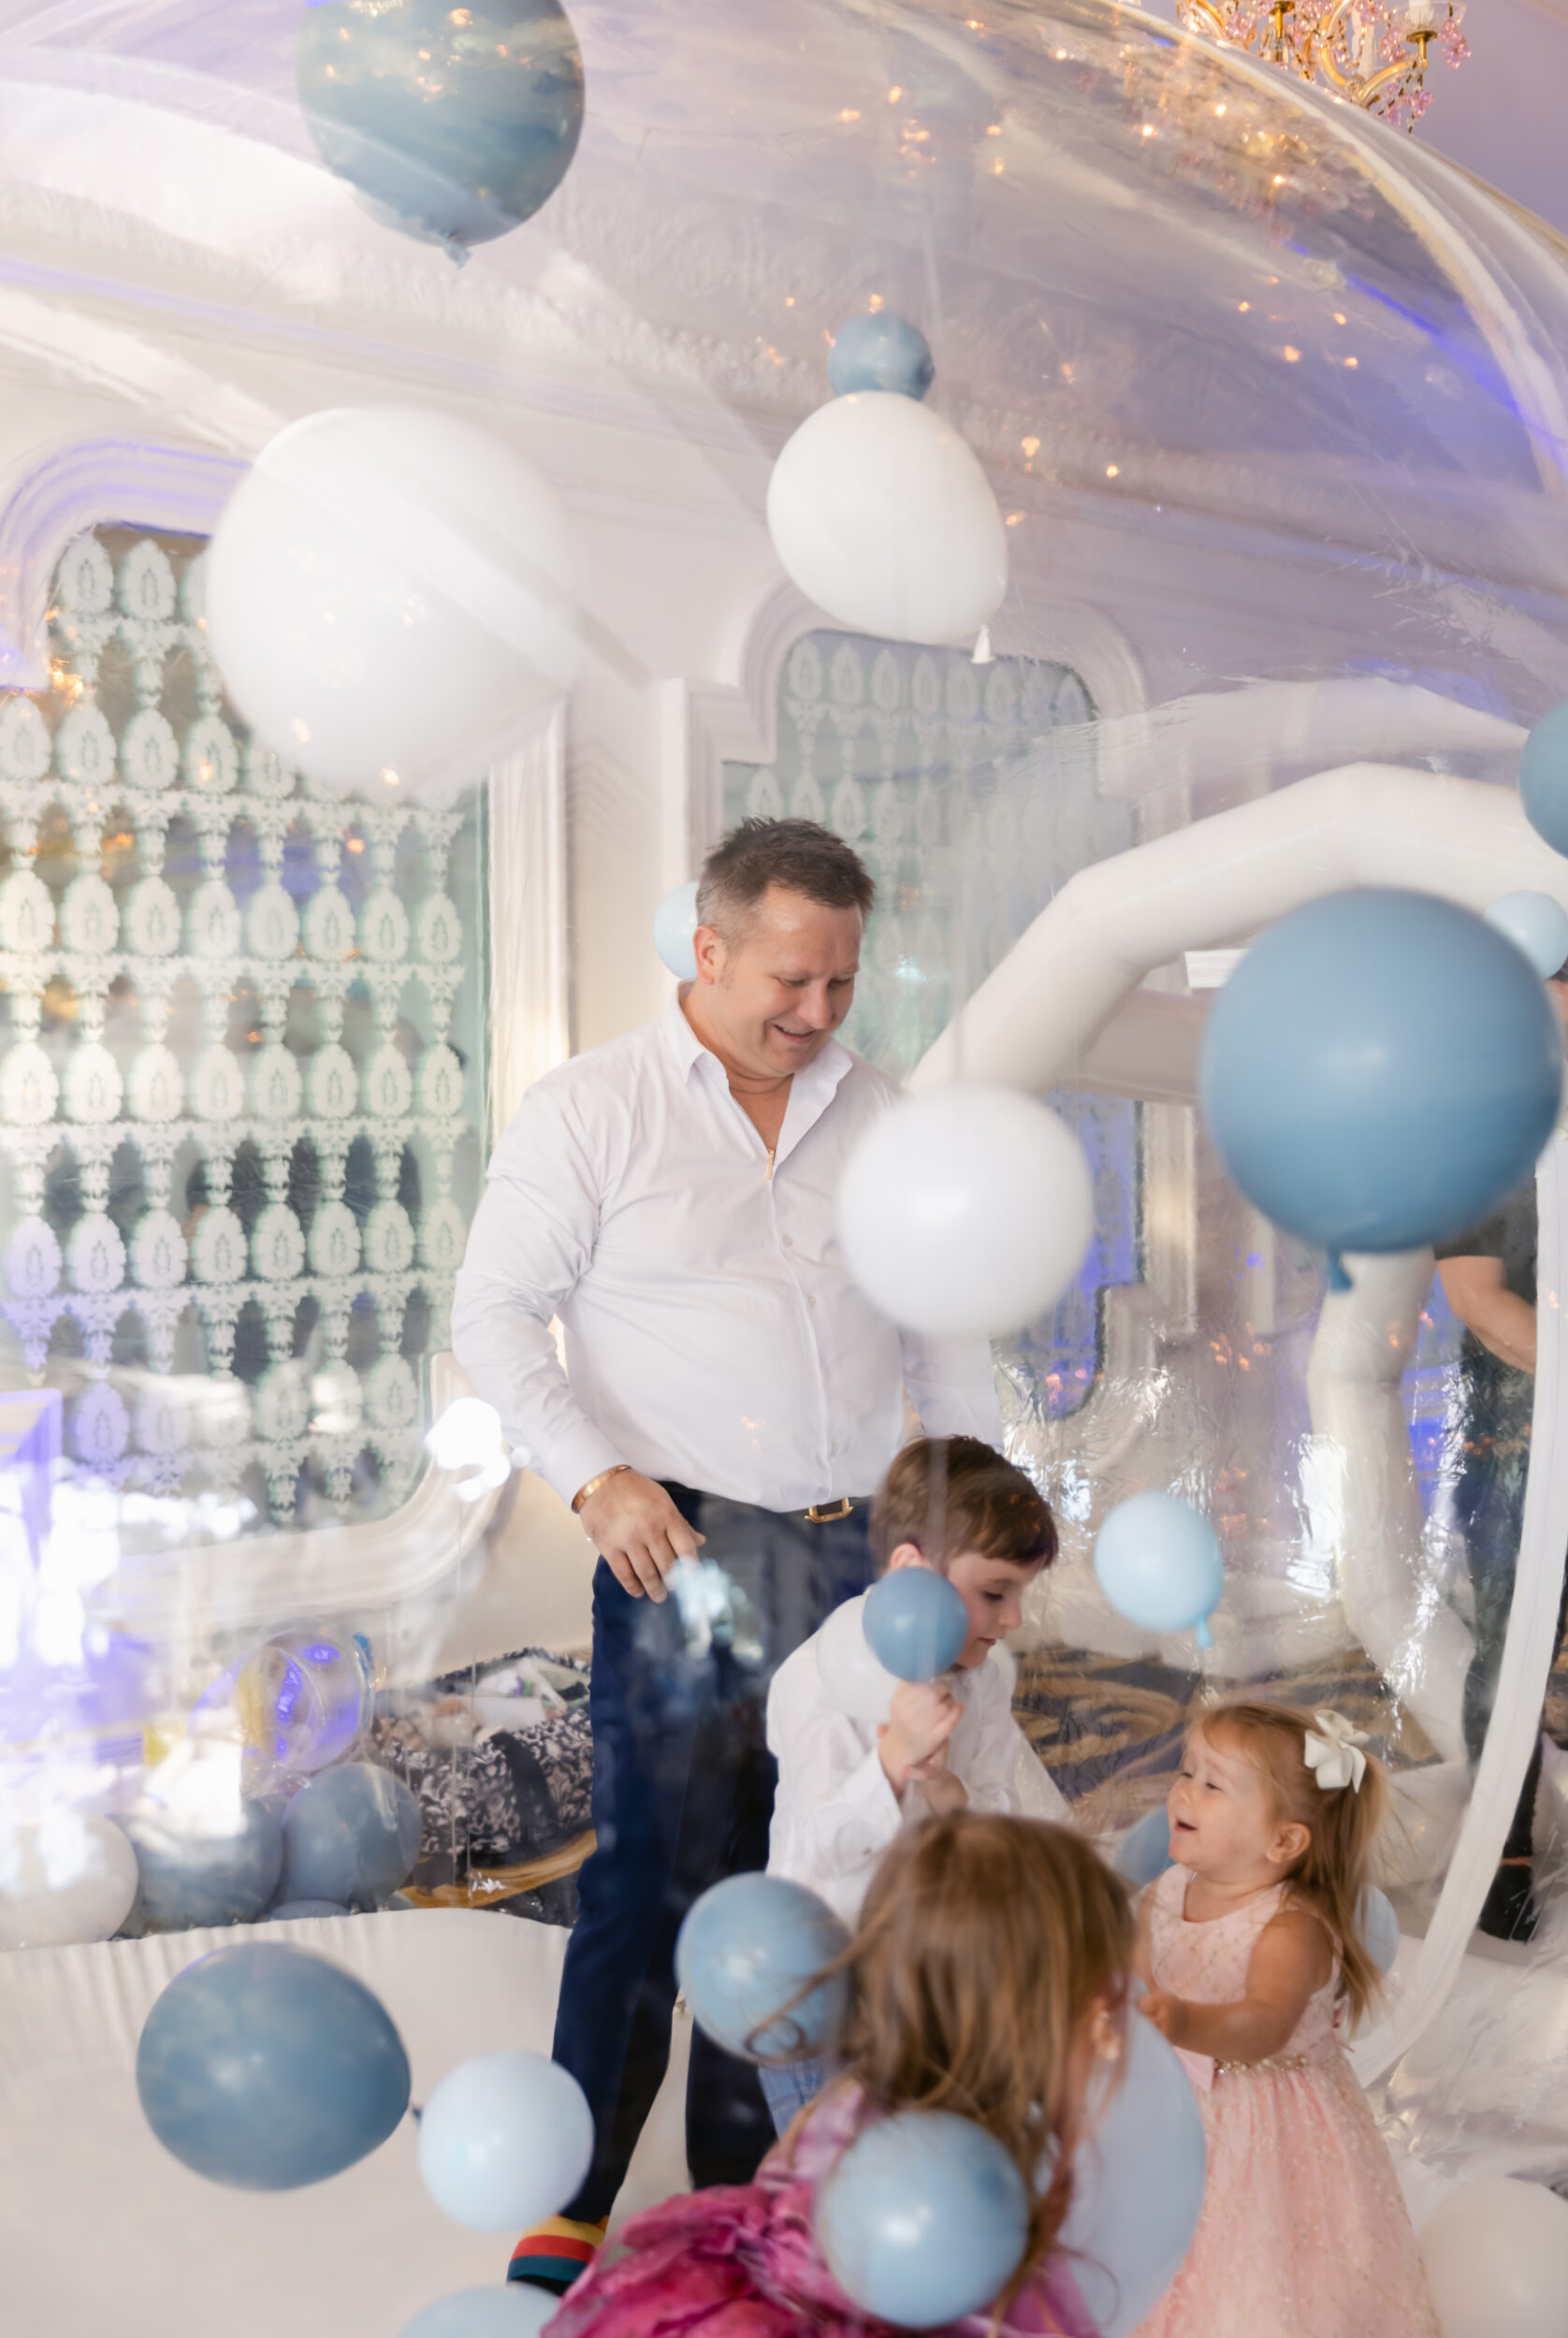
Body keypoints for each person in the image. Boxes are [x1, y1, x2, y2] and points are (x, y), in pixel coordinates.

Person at [451, 818, 1001, 2295]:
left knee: (812, 1876)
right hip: (681, 1547)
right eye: (789, 978)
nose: (817, 1014)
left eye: (840, 983)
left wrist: (955, 1543)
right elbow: (494, 1311)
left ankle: (742, 2188)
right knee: (656, 1880)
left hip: (862, 1560)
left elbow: (945, 1340)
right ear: (707, 949)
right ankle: (567, 2204)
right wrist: (596, 1478)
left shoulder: (885, 1120)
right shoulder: (593, 1109)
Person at [548, 1815, 1132, 2338]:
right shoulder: (971, 2193)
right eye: (1100, 2004)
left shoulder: (847, 2104)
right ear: (1025, 2022)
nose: (1113, 2032)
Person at [759, 1433, 1060, 2131]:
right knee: (833, 2190)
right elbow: (811, 1851)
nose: (1013, 1620)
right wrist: (892, 1765)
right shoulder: (822, 1677)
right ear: (911, 1569)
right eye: (995, 1593)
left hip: (920, 1975)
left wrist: (950, 1792)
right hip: (820, 1984)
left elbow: (993, 1812)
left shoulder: (979, 1678)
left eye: (1020, 1594)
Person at [1129, 1703, 1439, 2338]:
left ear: (1282, 1841)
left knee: (1251, 2255)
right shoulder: (1161, 1893)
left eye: (1212, 1784)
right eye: (1186, 1771)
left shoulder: (1289, 1927)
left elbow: (1263, 2024)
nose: (1182, 1789)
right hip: (1167, 2106)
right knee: (1156, 2245)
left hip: (1261, 2118)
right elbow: (1132, 1987)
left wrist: (1181, 2019)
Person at [1435, 950, 1568, 1943]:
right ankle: (1505, 1862)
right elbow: (1478, 1300)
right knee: (1510, 1659)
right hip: (1511, 1448)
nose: (1567, 1050)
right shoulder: (1479, 1151)